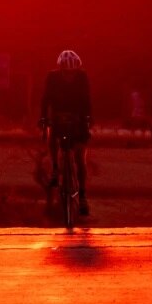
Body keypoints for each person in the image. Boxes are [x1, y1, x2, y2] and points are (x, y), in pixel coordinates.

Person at [39, 49, 92, 215]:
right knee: (51, 131)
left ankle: (82, 196)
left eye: (73, 73)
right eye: (66, 73)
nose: (70, 76)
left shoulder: (82, 78)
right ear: (60, 69)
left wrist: (88, 119)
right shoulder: (52, 78)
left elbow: (88, 100)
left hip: (77, 116)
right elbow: (45, 99)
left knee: (80, 158)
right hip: (58, 115)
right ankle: (55, 166)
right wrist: (42, 118)